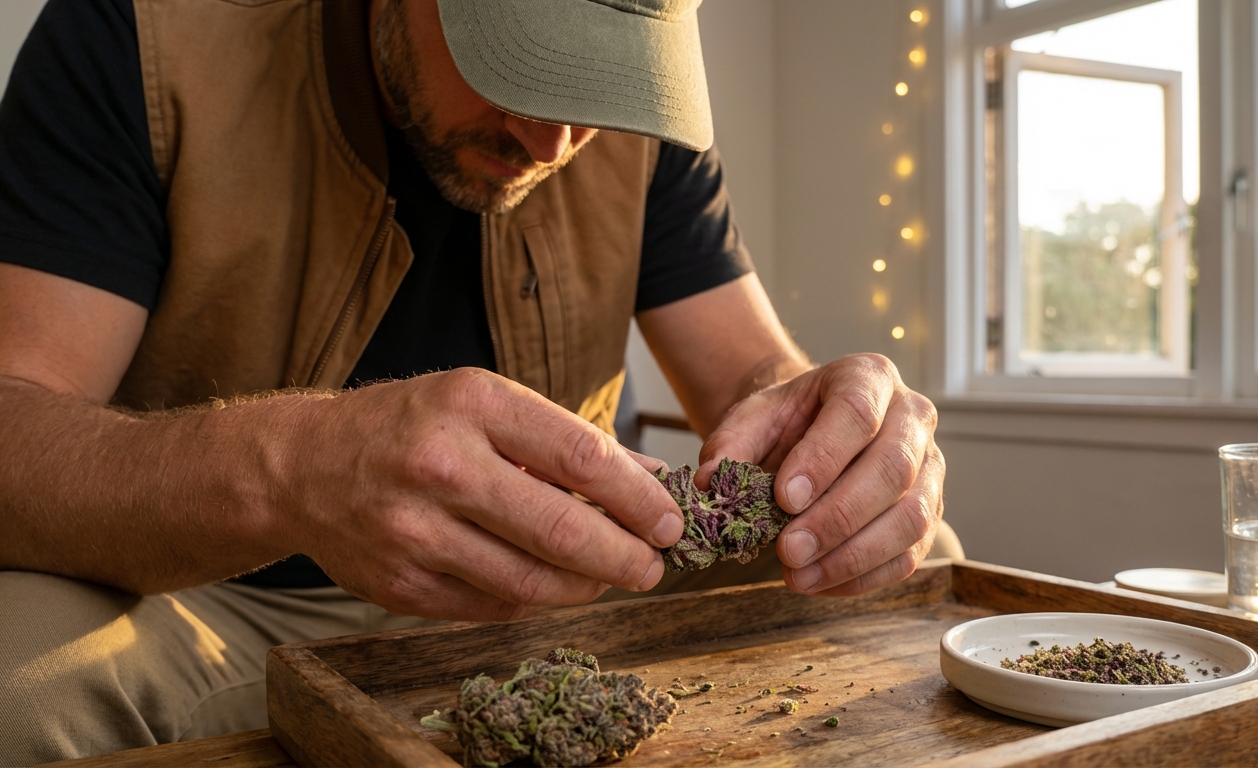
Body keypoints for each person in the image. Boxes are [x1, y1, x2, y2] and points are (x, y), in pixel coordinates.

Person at [0, 0, 947, 762]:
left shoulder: (631, 127)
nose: (553, 143)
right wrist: (292, 467)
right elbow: (15, 429)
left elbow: (752, 375)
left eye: (601, 82)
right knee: (13, 687)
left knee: (904, 550)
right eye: (523, 61)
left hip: (565, 582)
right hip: (214, 600)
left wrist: (830, 420)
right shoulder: (145, 39)